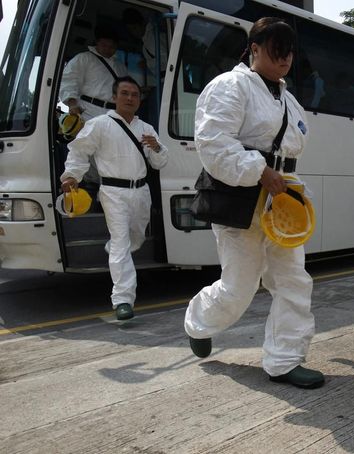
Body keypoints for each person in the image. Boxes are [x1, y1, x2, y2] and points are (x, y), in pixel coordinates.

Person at [184, 17, 324, 390]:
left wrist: (288, 186)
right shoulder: (228, 87)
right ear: (255, 49)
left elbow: (290, 150)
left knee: (293, 279)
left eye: (290, 53)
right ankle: (199, 322)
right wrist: (260, 172)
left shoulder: (289, 99)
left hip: (281, 199)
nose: (285, 60)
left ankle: (284, 360)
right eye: (277, 51)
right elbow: (213, 143)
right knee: (239, 286)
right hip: (240, 195)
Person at [60, 76, 168, 321]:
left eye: (134, 95)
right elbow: (79, 150)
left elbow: (160, 162)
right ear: (114, 97)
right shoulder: (100, 124)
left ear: (139, 99)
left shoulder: (146, 129)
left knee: (136, 237)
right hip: (113, 192)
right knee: (121, 242)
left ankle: (115, 253)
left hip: (141, 192)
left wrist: (158, 148)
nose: (130, 98)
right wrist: (71, 176)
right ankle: (122, 299)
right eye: (125, 93)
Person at [59, 23, 128, 122]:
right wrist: (72, 105)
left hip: (115, 115)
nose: (108, 49)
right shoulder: (83, 58)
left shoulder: (121, 66)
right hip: (88, 113)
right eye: (104, 45)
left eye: (112, 47)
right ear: (97, 42)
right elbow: (69, 81)